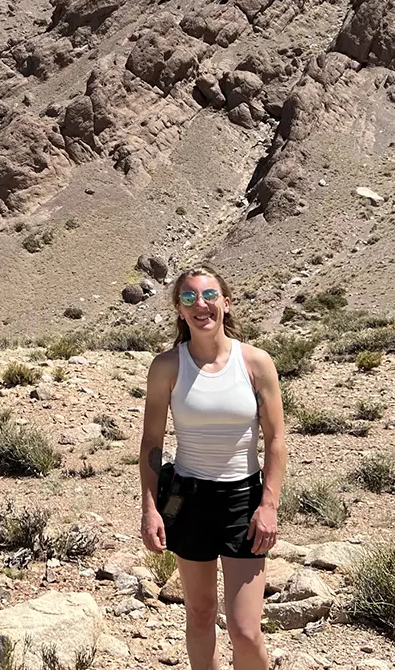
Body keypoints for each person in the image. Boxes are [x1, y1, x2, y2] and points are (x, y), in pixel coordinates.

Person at [140, 266, 287, 670]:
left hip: (242, 499)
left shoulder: (256, 363)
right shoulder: (167, 366)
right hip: (186, 499)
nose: (200, 305)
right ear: (179, 310)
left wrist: (269, 504)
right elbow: (152, 441)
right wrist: (151, 508)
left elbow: (276, 439)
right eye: (188, 298)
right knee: (200, 615)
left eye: (208, 296)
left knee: (245, 630)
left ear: (226, 302)